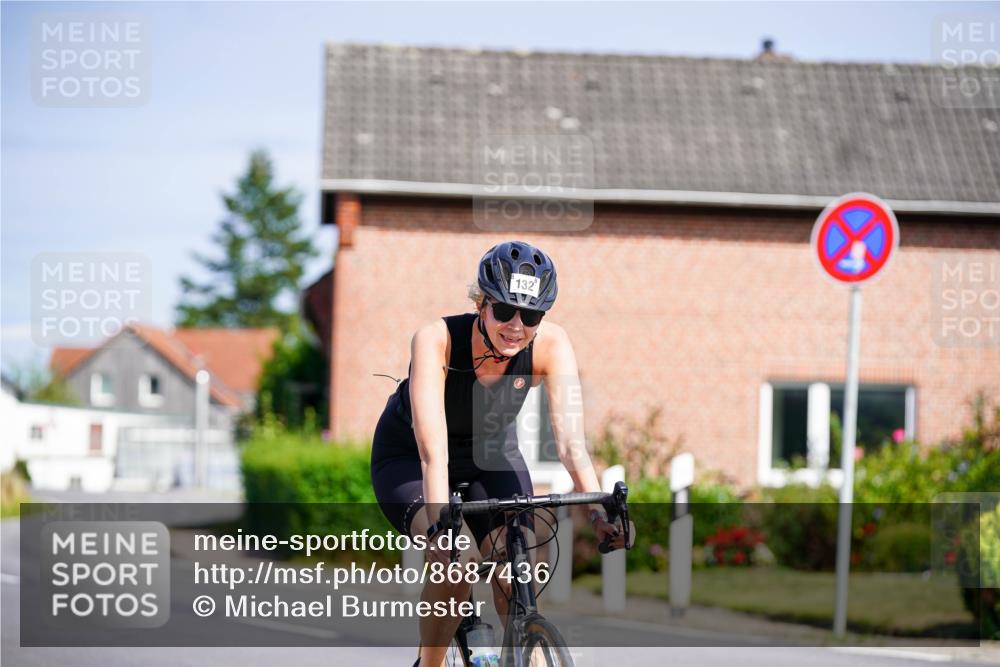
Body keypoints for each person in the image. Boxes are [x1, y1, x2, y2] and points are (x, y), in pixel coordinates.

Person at [370, 240, 634, 667]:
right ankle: (430, 663)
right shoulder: (436, 340)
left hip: (490, 455)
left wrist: (600, 513)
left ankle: (523, 651)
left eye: (531, 315)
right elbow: (431, 450)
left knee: (520, 562)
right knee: (457, 563)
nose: (516, 326)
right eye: (504, 311)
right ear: (481, 304)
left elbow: (570, 445)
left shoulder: (550, 345)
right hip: (410, 459)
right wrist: (442, 530)